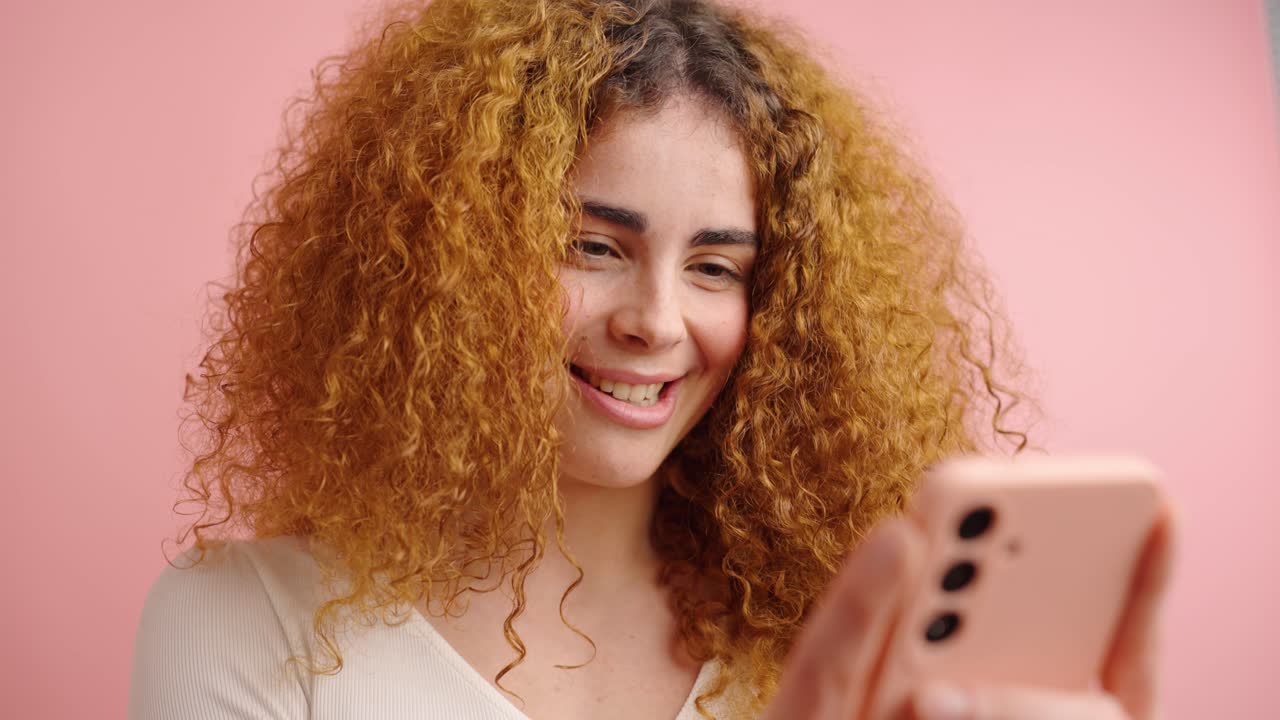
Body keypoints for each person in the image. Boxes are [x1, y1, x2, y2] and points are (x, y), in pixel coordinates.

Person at [128, 0, 1175, 718]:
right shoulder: (241, 618)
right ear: (444, 263)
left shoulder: (843, 647)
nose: (656, 320)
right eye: (593, 247)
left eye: (717, 267)